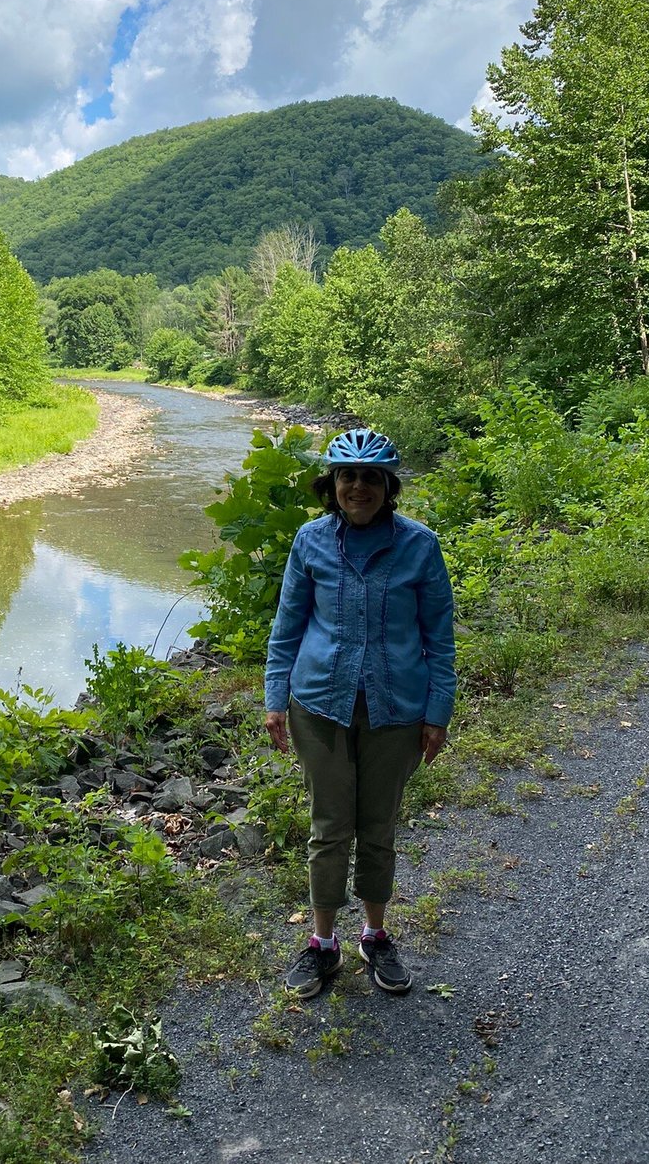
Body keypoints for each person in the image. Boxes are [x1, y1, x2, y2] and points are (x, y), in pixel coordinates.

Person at [263, 427, 456, 997]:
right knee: (329, 825)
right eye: (348, 476)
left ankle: (375, 934)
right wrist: (276, 698)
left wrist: (438, 711)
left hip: (397, 710)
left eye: (372, 477)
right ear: (333, 484)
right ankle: (323, 944)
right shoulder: (311, 541)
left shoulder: (419, 545)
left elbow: (438, 638)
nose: (359, 487)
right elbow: (288, 625)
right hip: (319, 704)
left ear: (388, 485)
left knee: (378, 826)